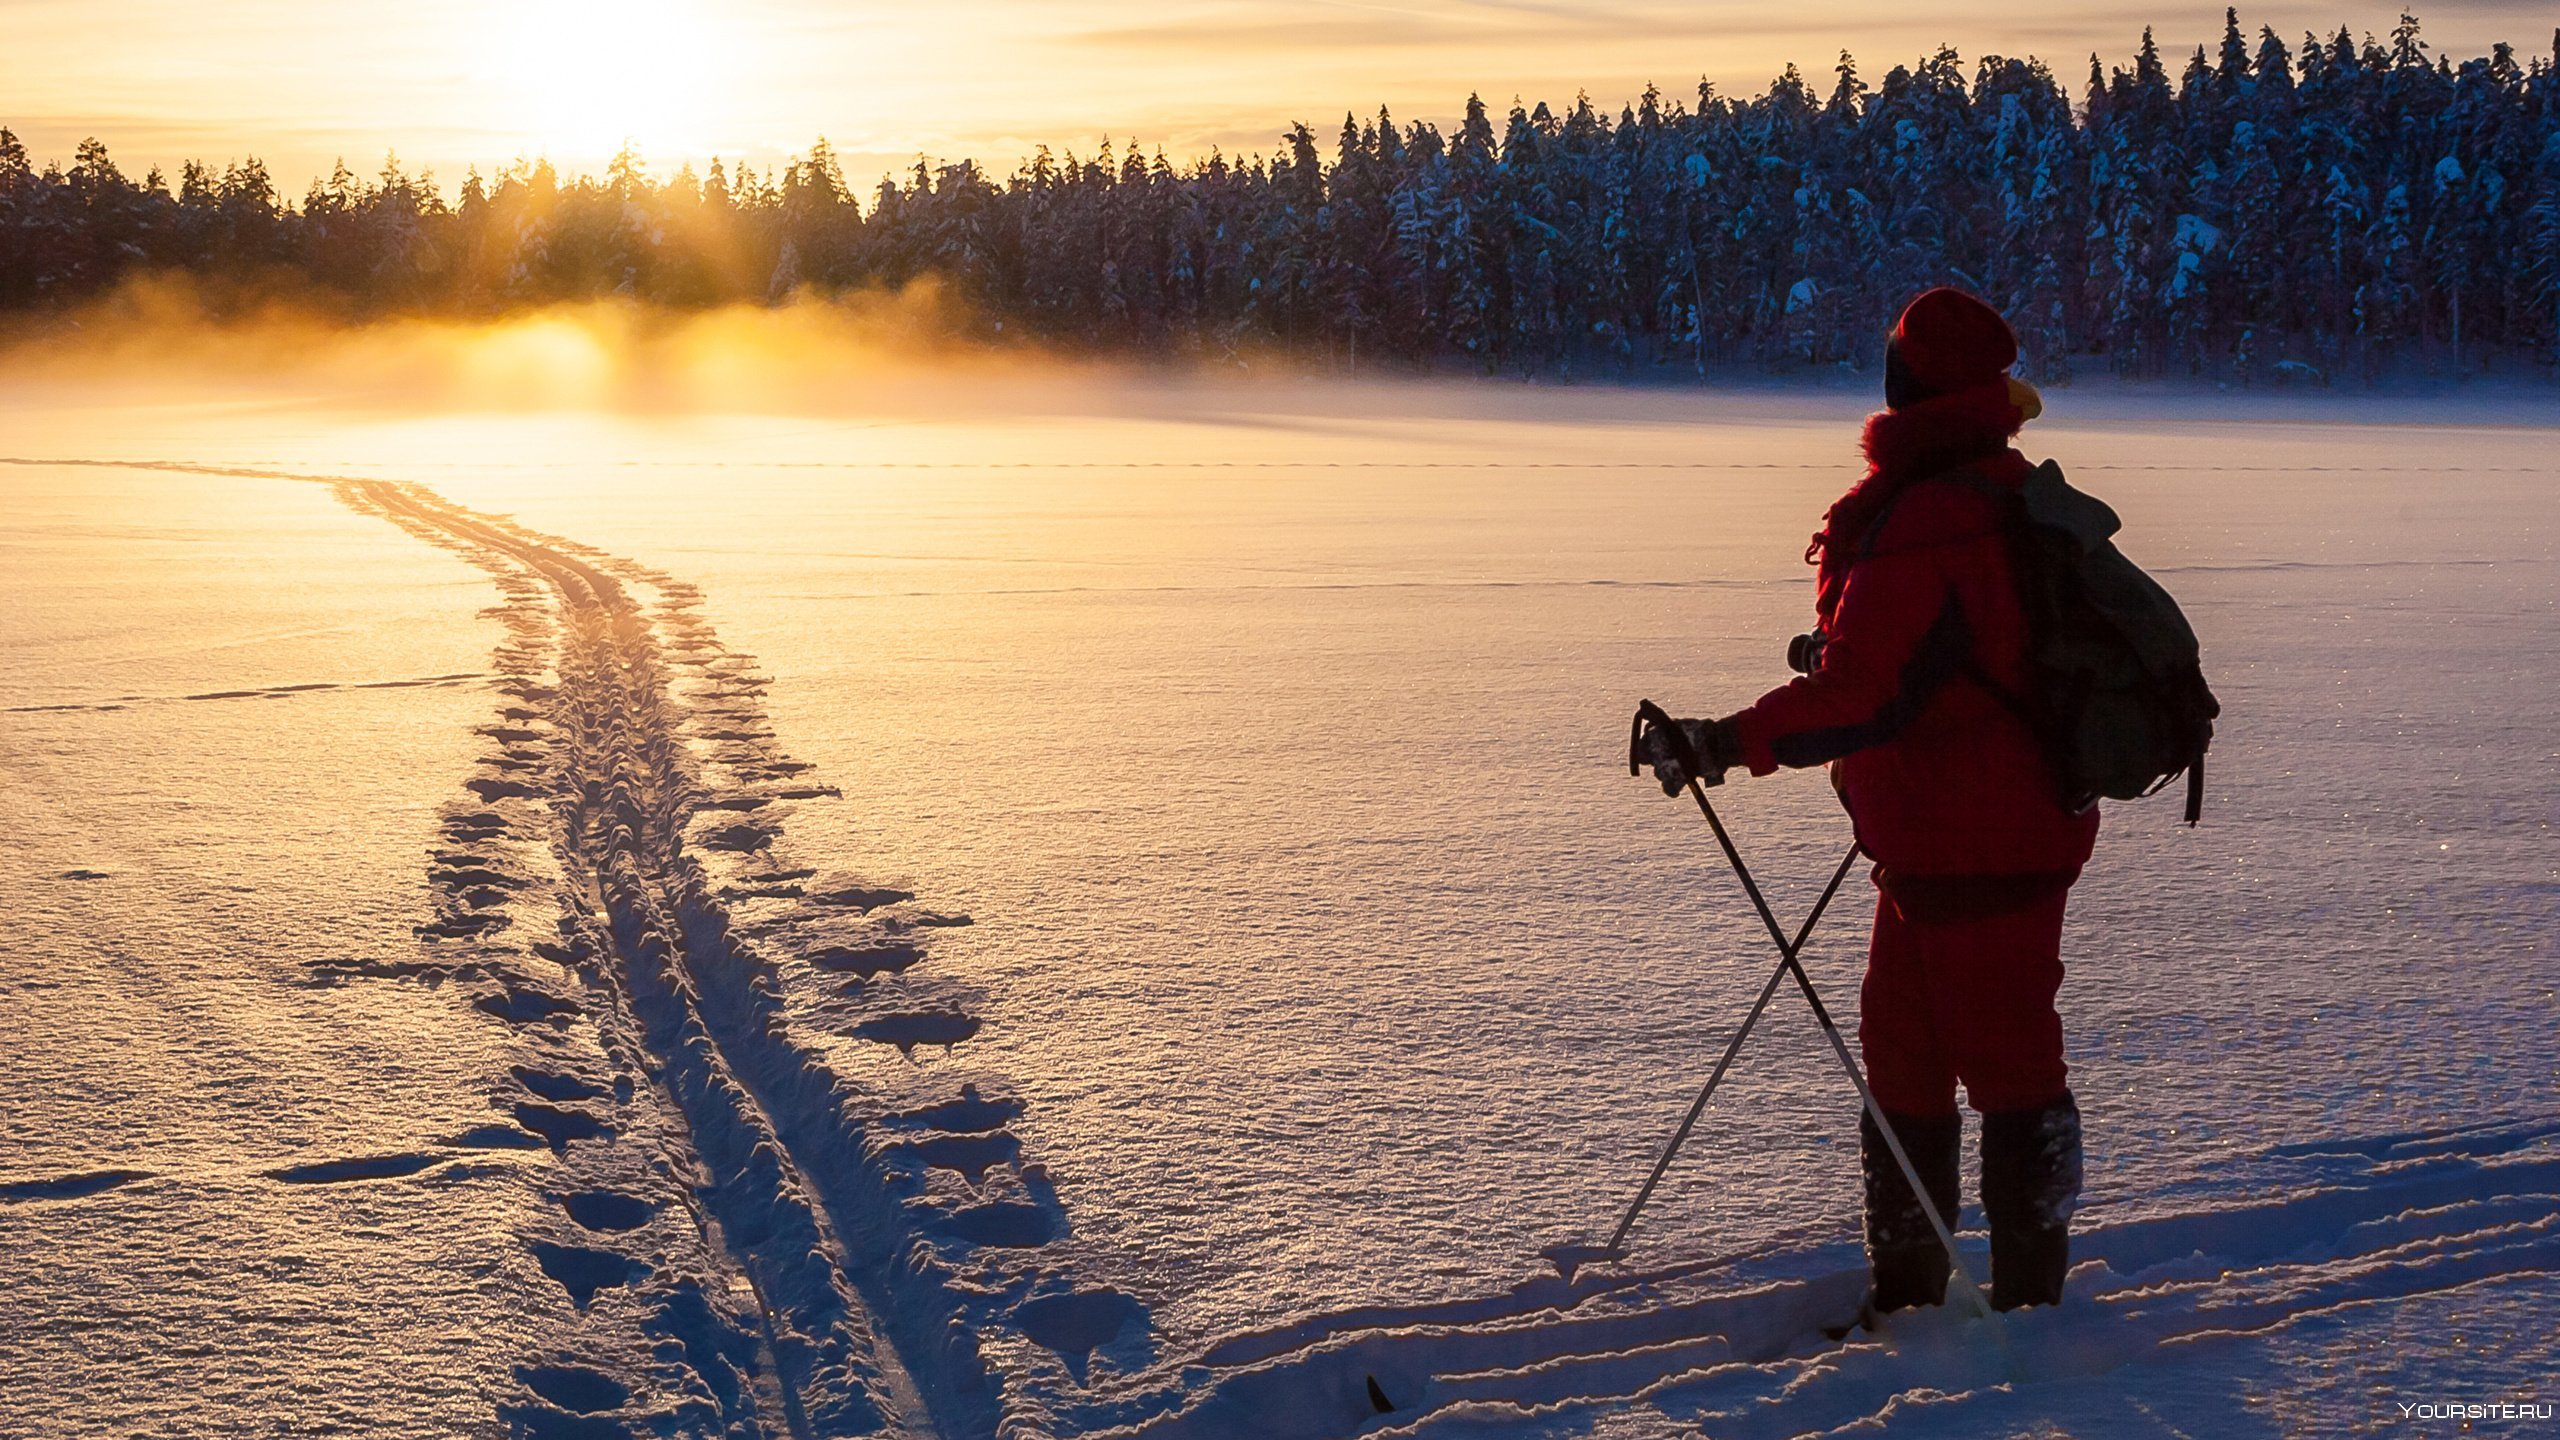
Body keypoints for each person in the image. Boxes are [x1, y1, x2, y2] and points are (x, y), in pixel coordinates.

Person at [1638, 287, 2094, 1316]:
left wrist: (1722, 742)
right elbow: (1935, 651)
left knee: (2006, 1065)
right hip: (1943, 835)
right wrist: (1838, 658)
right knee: (1905, 1061)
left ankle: (2029, 1311)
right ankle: (1912, 1298)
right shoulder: (1984, 488)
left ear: (1909, 383)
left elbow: (1865, 695)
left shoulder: (1934, 516)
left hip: (1984, 837)